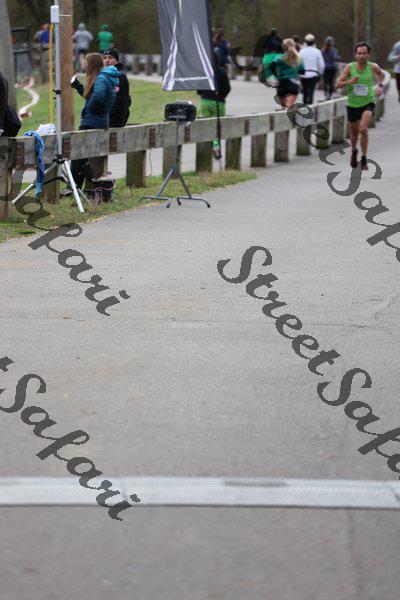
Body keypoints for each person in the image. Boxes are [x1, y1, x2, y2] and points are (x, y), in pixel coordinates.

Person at [70, 53, 120, 189]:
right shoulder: (105, 78)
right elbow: (91, 96)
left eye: (87, 63)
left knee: (78, 155)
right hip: (98, 121)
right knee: (84, 158)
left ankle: (75, 187)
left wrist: (90, 109)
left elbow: (97, 97)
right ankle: (78, 187)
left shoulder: (101, 79)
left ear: (91, 64)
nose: (85, 66)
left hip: (91, 122)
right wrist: (77, 86)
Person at [335, 42, 383, 170]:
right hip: (353, 104)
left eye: (364, 53)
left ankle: (364, 158)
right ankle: (354, 151)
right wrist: (350, 81)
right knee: (354, 134)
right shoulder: (349, 68)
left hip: (368, 102)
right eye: (359, 53)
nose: (362, 56)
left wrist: (380, 86)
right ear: (356, 55)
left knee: (363, 129)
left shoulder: (372, 67)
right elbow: (337, 84)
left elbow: (380, 74)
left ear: (368, 55)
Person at [197, 48, 231, 158]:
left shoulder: (203, 71)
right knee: (217, 126)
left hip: (205, 101)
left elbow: (198, 90)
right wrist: (221, 96)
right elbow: (227, 88)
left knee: (206, 125)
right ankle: (216, 146)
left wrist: (204, 94)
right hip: (218, 102)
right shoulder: (222, 71)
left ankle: (205, 149)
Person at [268, 38, 305, 108]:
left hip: (282, 83)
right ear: (294, 46)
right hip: (293, 83)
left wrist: (277, 76)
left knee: (283, 109)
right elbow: (302, 71)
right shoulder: (298, 58)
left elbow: (271, 66)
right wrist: (294, 71)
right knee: (288, 108)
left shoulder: (280, 57)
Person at [102, 48, 131, 127]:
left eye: (110, 58)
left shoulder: (118, 76)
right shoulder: (107, 74)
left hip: (113, 121)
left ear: (117, 60)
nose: (107, 61)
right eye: (105, 58)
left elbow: (119, 101)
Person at [299, 33, 325, 105]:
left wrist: (299, 74)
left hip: (304, 75)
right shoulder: (317, 51)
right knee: (311, 92)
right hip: (314, 74)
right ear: (313, 42)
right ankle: (310, 106)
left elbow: (298, 64)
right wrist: (320, 73)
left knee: (304, 92)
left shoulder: (302, 51)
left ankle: (304, 106)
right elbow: (322, 65)